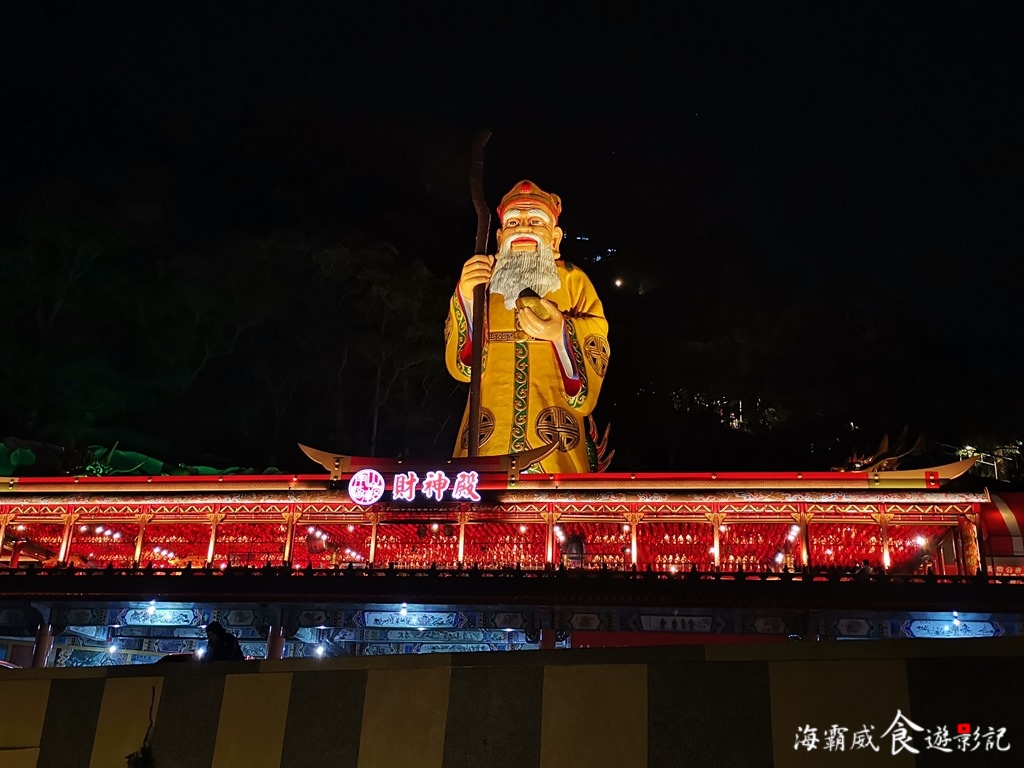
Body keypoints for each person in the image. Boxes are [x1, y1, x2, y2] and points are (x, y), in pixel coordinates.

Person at [445, 180, 610, 473]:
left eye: (535, 221)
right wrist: (467, 299)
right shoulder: (482, 281)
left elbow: (596, 335)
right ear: (499, 236)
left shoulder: (572, 280)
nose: (523, 228)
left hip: (553, 431)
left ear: (555, 238)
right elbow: (465, 368)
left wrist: (560, 334)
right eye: (513, 222)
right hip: (488, 431)